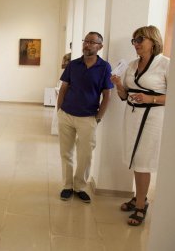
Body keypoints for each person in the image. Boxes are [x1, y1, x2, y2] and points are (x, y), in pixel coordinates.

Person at [111, 25, 169, 226]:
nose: (136, 44)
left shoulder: (165, 64)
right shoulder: (132, 65)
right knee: (135, 159)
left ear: (153, 41)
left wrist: (149, 98)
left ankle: (141, 205)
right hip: (132, 117)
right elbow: (124, 95)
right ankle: (138, 196)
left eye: (140, 40)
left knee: (143, 162)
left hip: (153, 119)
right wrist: (118, 85)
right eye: (134, 41)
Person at [57, 32, 113, 203]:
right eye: (85, 41)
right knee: (66, 153)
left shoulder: (104, 67)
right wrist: (59, 111)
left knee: (85, 155)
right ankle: (67, 186)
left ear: (100, 47)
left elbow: (107, 95)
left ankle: (79, 186)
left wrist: (98, 118)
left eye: (92, 42)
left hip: (88, 117)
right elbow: (64, 88)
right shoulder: (73, 65)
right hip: (66, 115)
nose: (87, 45)